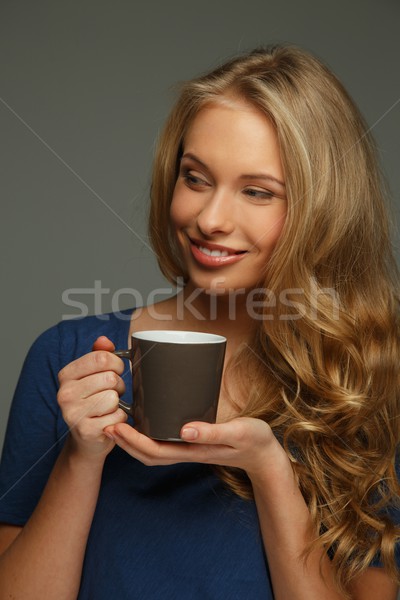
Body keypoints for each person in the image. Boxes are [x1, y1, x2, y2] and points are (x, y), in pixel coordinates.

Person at [0, 44, 399, 600]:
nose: (210, 219)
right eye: (196, 178)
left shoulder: (363, 382)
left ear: (322, 211)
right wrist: (81, 456)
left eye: (257, 192)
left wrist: (269, 469)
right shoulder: (66, 358)